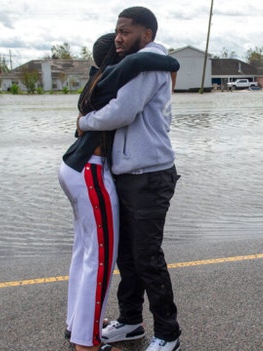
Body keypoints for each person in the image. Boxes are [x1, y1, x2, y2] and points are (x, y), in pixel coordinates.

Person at [59, 32, 179, 351]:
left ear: (146, 33)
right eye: (117, 33)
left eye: (125, 31)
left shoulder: (144, 66)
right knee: (127, 255)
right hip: (125, 173)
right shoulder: (119, 72)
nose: (119, 38)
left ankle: (168, 333)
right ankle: (130, 321)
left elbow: (124, 112)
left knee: (146, 257)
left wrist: (85, 123)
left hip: (150, 175)